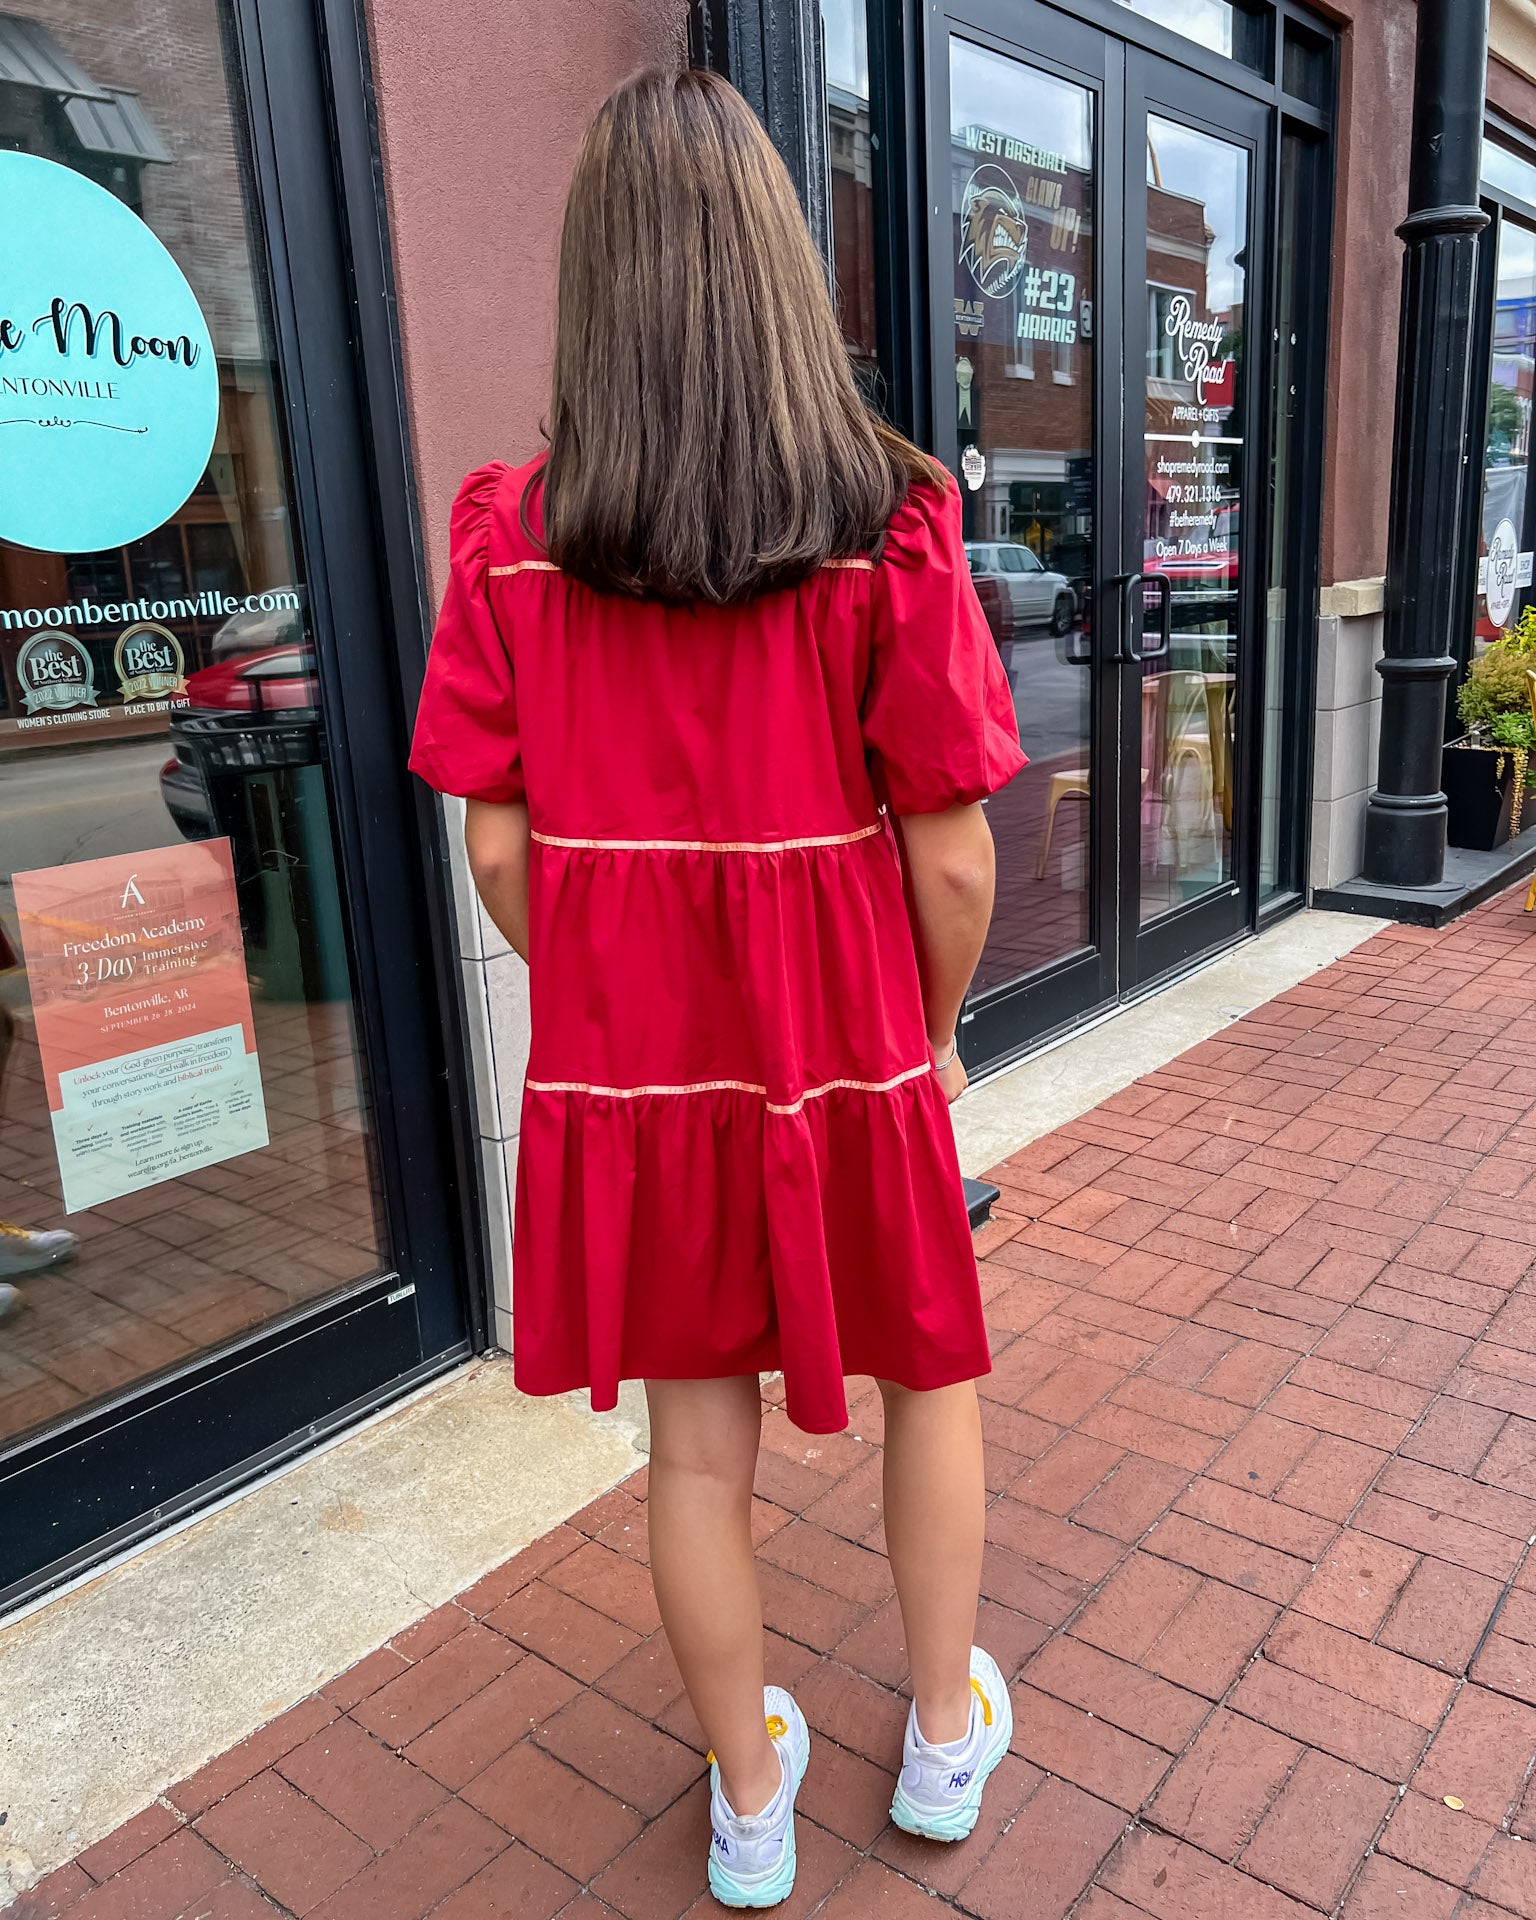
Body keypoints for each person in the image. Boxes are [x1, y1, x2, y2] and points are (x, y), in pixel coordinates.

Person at [410, 66, 1024, 1911]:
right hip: (849, 1047)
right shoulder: (887, 518)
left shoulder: (515, 531)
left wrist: (608, 985)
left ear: (594, 281)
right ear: (777, 264)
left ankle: (748, 1803)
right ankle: (936, 1739)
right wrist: (925, 1030)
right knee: (934, 1379)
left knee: (692, 1445)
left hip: (638, 1066)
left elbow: (499, 852)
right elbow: (958, 852)